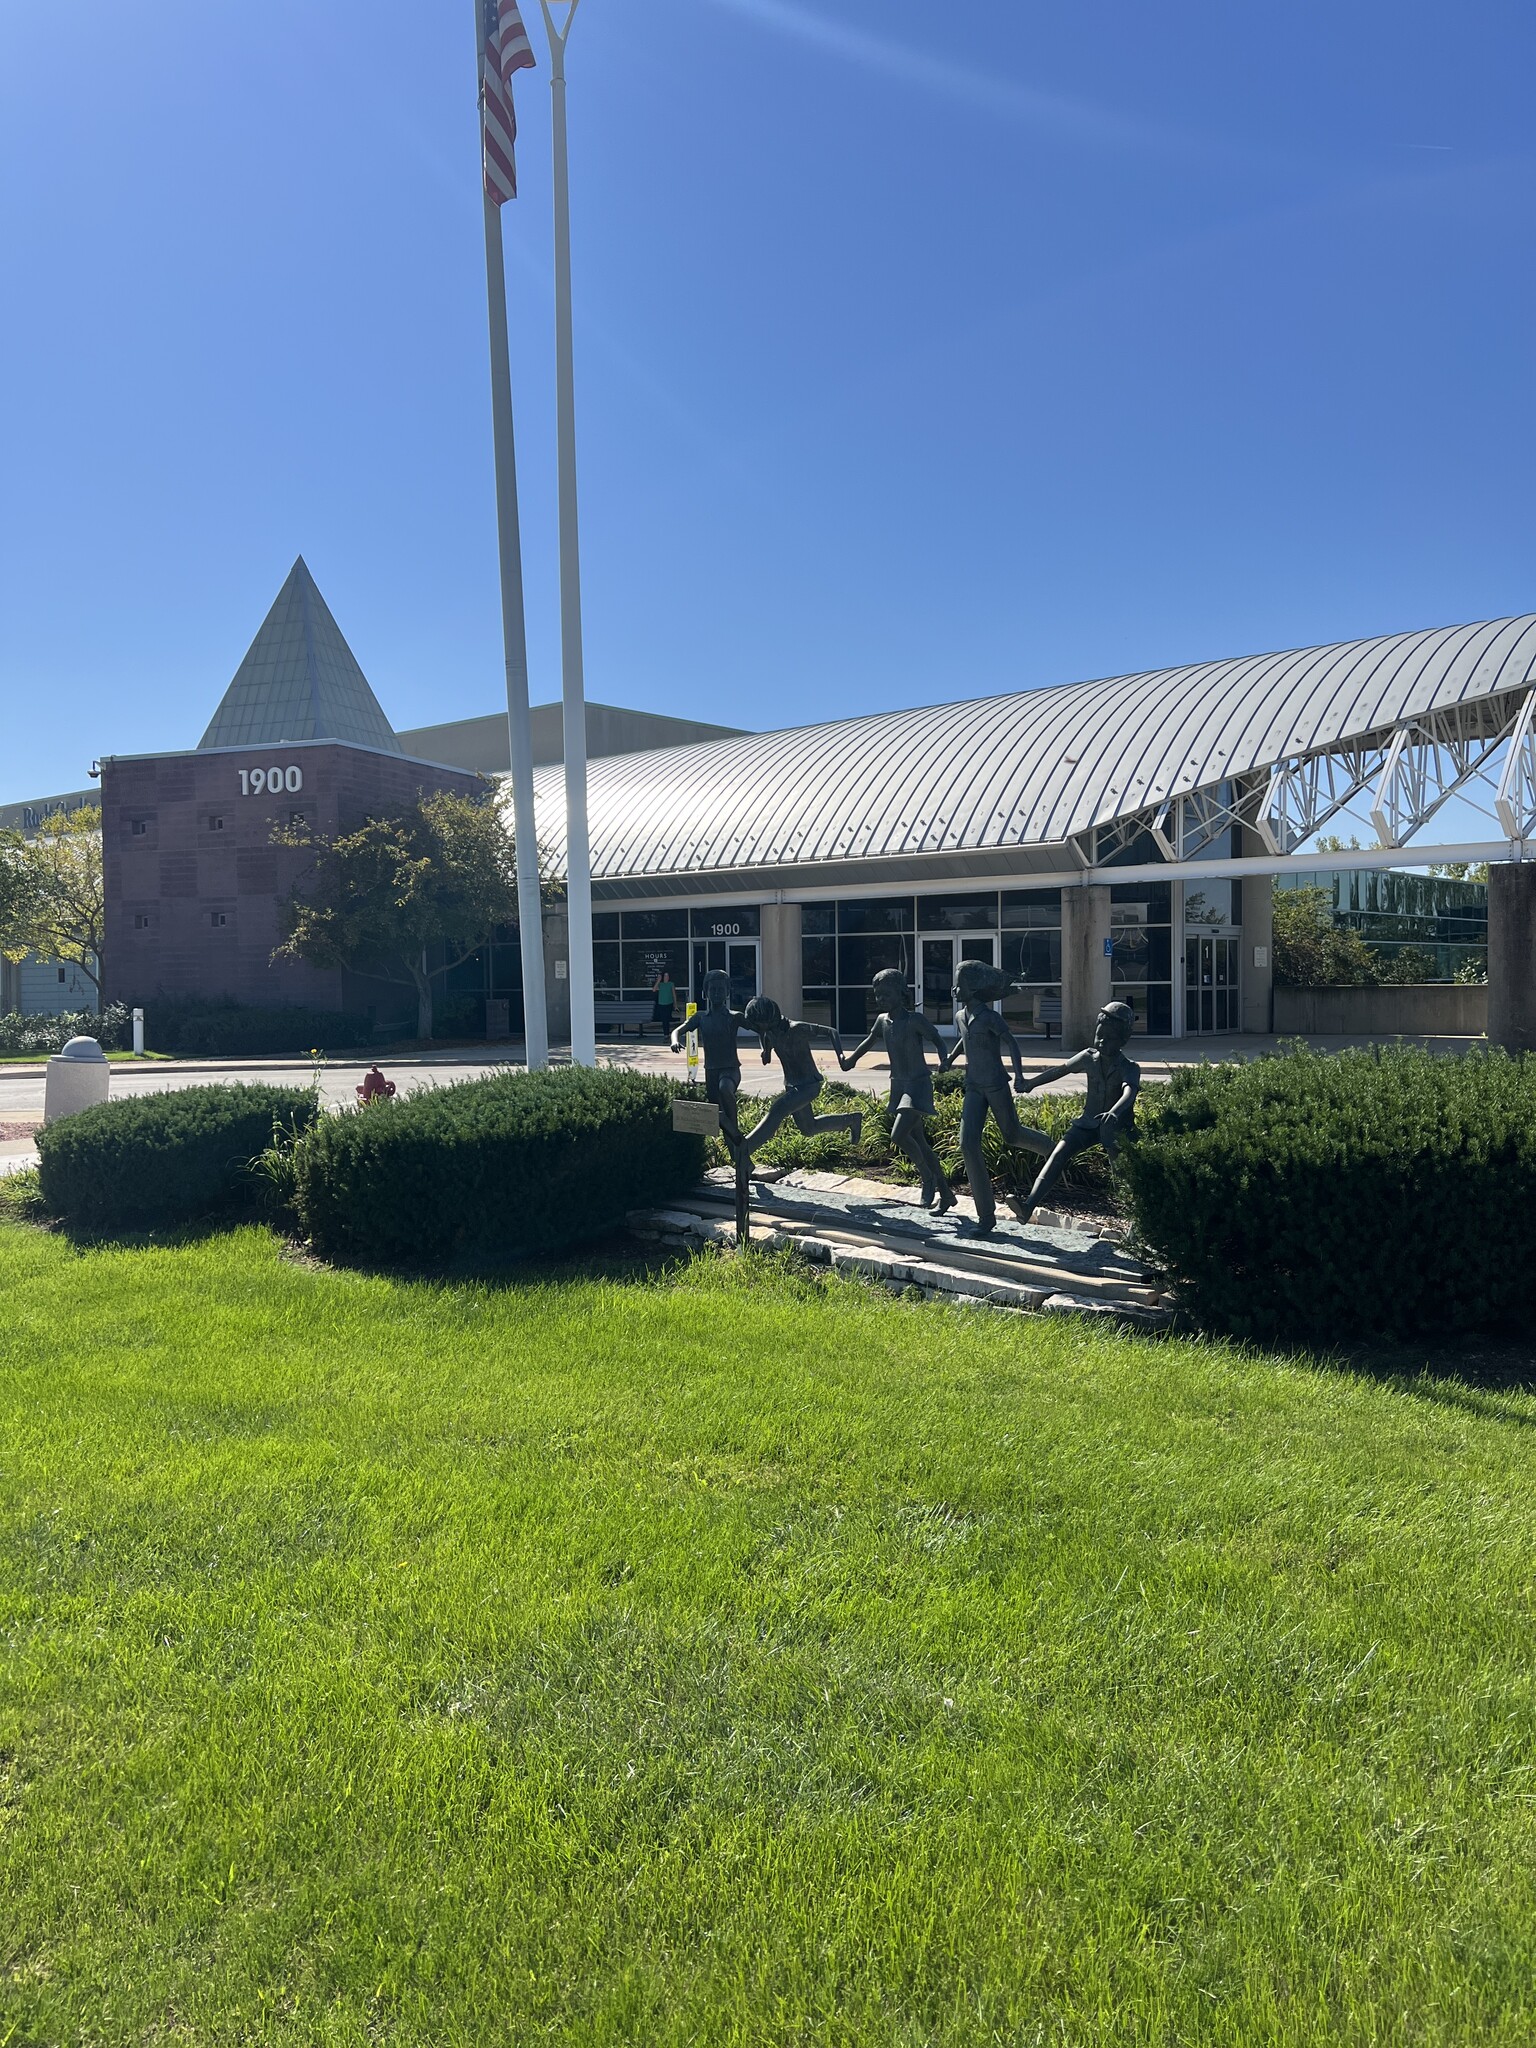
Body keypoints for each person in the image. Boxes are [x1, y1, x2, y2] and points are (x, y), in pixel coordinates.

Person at [947, 958, 1053, 1234]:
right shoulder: (961, 1017)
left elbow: (1011, 1043)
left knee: (1012, 1135)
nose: (954, 989)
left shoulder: (990, 1017)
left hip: (995, 1084)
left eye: (960, 984)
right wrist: (950, 1058)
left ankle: (1052, 1151)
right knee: (968, 1144)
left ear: (974, 987)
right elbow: (965, 1038)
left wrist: (1019, 1075)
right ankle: (986, 1217)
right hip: (973, 1086)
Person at [1011, 1000, 1141, 1222]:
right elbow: (1060, 1070)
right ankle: (1027, 1206)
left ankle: (1138, 1221)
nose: (1100, 1041)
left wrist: (1114, 1112)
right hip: (1088, 1123)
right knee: (1058, 1155)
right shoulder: (1087, 1057)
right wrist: (1031, 1083)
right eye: (1098, 1035)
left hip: (1115, 1128)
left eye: (1107, 1039)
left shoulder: (1129, 1067)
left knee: (1121, 1176)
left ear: (1123, 1040)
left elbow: (1129, 1092)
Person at [839, 967, 954, 1212]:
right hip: (898, 1084)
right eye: (878, 996)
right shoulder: (882, 1021)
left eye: (886, 995)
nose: (881, 1000)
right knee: (921, 1143)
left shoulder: (915, 1020)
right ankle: (946, 1192)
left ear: (901, 993)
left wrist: (944, 1059)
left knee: (898, 1135)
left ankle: (928, 1177)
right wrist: (851, 1060)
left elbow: (938, 1040)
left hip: (918, 1085)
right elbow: (869, 1042)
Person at [741, 996, 862, 1156]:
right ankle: (852, 1120)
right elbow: (764, 1036)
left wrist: (840, 1056)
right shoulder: (770, 1032)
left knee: (777, 1110)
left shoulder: (797, 1028)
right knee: (809, 1128)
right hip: (792, 1085)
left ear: (767, 1018)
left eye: (756, 1024)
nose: (754, 1028)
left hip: (808, 1085)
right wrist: (766, 1051)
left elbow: (831, 1032)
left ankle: (745, 1149)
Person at [670, 967, 747, 1150]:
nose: (717, 993)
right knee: (717, 1114)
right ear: (706, 992)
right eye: (713, 989)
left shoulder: (735, 1017)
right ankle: (734, 1150)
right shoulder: (701, 1018)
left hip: (730, 1069)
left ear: (727, 992)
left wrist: (766, 1048)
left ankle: (737, 1139)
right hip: (711, 1071)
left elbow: (760, 1028)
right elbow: (678, 1031)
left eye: (721, 989)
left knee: (725, 1090)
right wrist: (674, 1041)